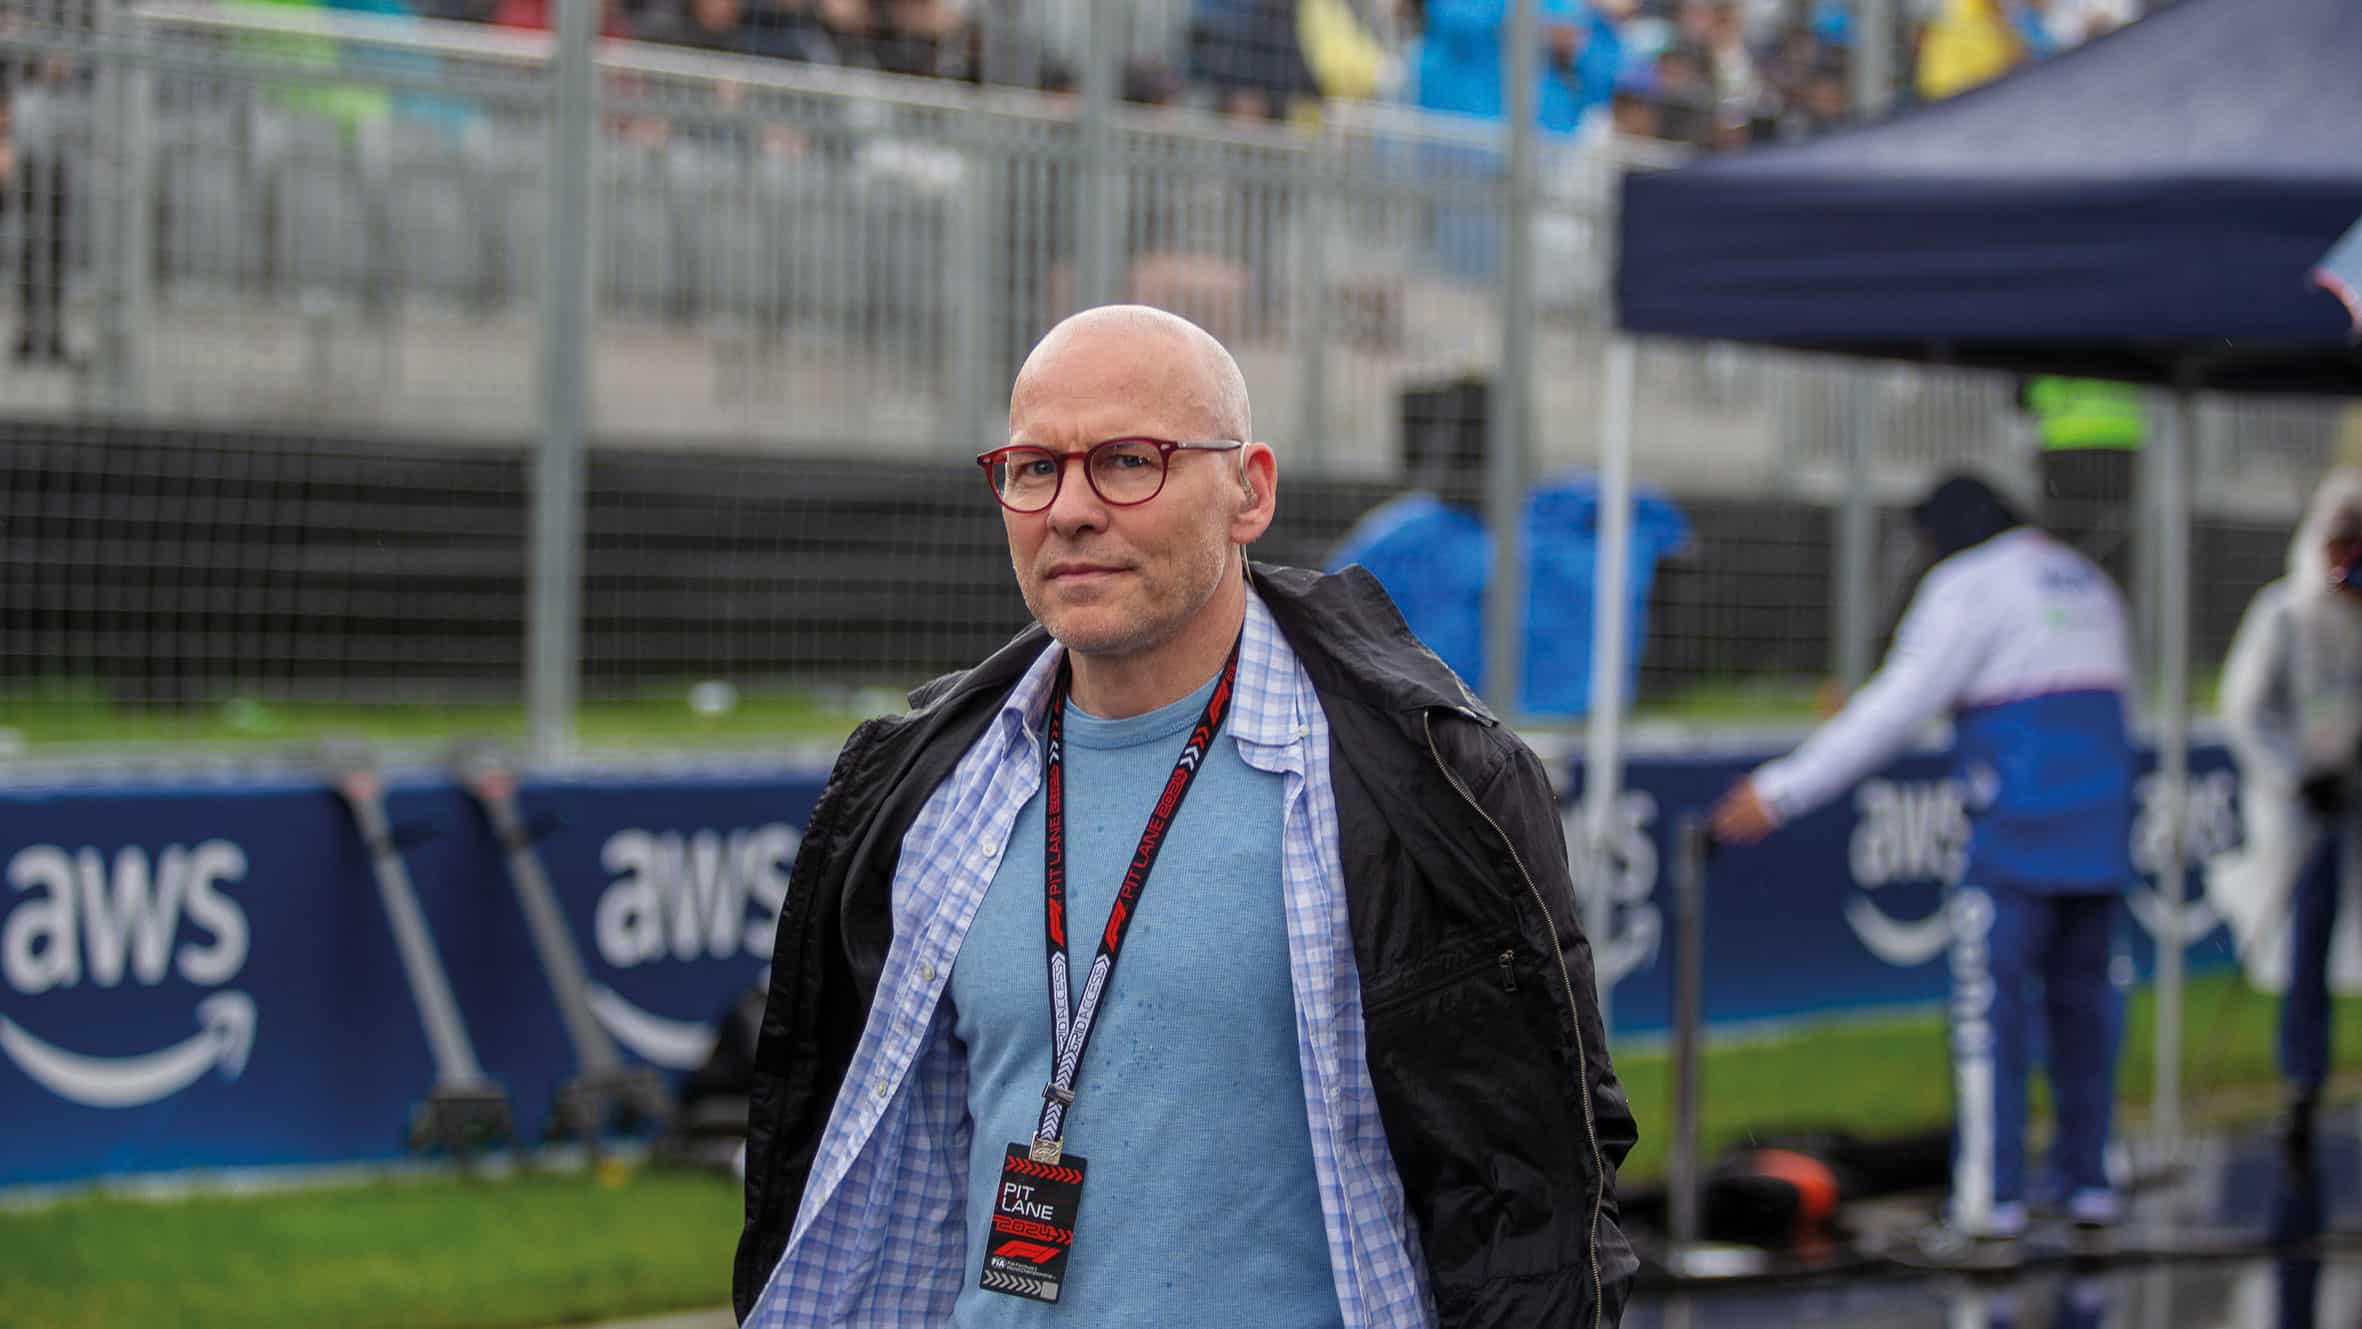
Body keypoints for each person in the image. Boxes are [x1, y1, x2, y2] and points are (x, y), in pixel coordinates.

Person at [734, 305, 1637, 1327]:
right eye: (1034, 468)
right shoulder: (921, 792)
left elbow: (1544, 1182)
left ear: (1248, 491)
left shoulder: (1429, 782)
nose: (1069, 509)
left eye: (1127, 461)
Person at [1712, 473, 2136, 1241]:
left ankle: (1989, 1204)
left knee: (1990, 1022)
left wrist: (1780, 792)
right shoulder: (2089, 579)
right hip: (2101, 838)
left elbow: (1897, 705)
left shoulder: (1970, 584)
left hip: (2017, 841)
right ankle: (2091, 1187)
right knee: (2086, 1021)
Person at [2211, 472, 2362, 1165]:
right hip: (2307, 815)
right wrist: (2296, 774)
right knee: (2307, 946)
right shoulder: (2285, 616)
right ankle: (2301, 1086)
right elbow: (2245, 710)